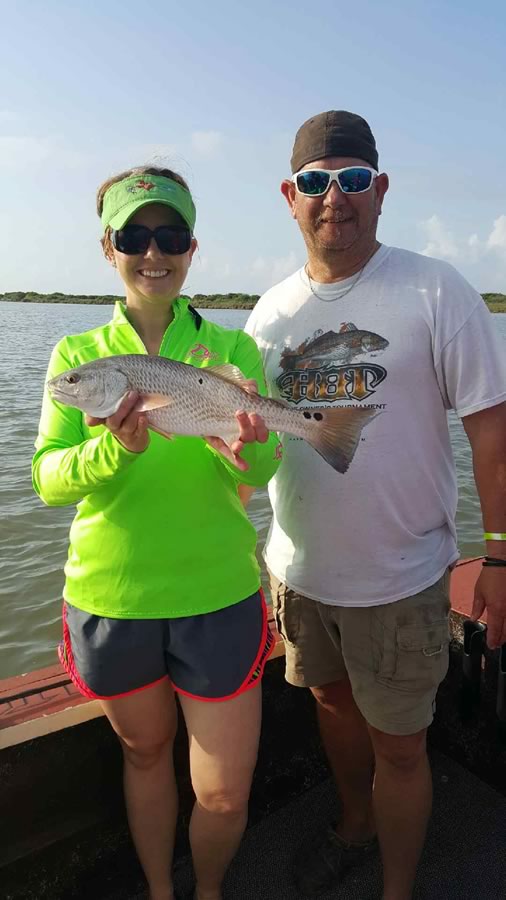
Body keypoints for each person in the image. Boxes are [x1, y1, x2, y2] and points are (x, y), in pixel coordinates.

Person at [244, 111, 506, 900]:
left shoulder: (437, 289)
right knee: (330, 706)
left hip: (402, 581)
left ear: (380, 191)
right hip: (299, 573)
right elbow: (247, 454)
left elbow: (492, 437)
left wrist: (498, 553)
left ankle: (396, 887)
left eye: (353, 179)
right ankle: (354, 824)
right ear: (290, 196)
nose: (336, 198)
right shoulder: (266, 317)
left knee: (402, 746)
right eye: (318, 183)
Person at [32, 165, 282, 900]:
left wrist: (249, 447)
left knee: (225, 794)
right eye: (134, 235)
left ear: (192, 246)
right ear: (108, 247)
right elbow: (47, 479)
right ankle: (159, 893)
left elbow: (262, 465)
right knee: (145, 756)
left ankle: (206, 891)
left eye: (169, 233)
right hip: (114, 598)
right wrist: (116, 444)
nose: (153, 251)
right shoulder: (79, 360)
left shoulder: (231, 352)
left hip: (218, 590)